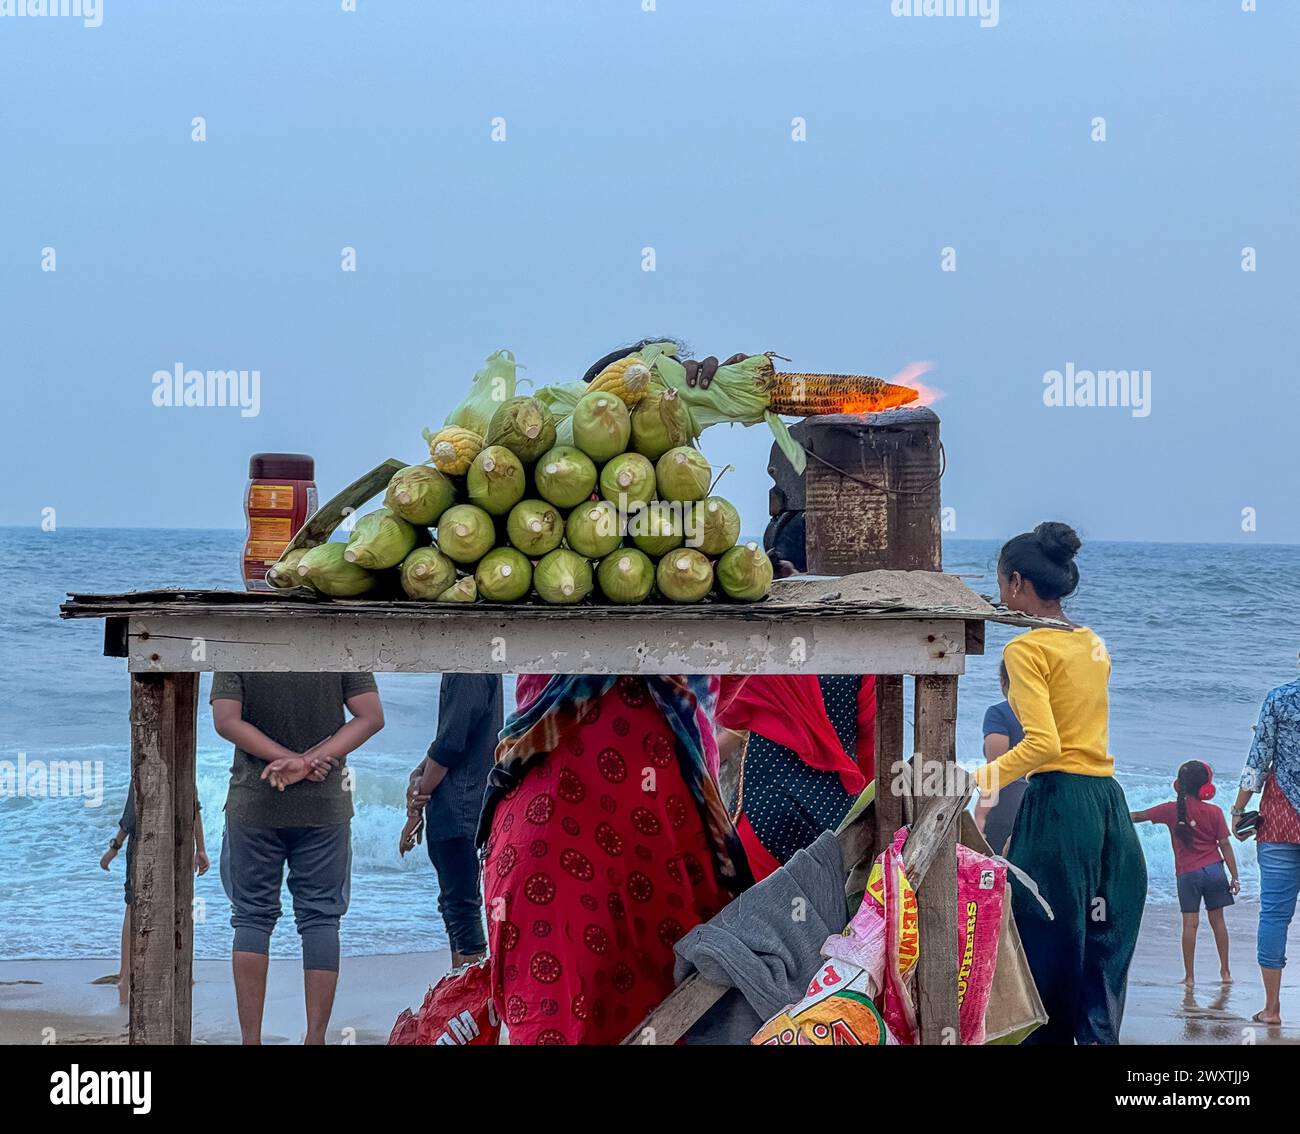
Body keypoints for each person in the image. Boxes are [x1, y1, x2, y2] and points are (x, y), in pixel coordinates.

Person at [476, 672, 750, 1045]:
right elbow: (735, 658)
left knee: (552, 1013)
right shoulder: (713, 616)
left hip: (549, 809)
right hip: (667, 815)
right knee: (677, 1014)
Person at [972, 521, 1147, 1045]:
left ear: (1018, 583)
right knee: (1101, 951)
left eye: (1001, 583)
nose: (1001, 593)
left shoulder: (1026, 650)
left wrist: (977, 779)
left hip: (1060, 805)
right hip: (1108, 802)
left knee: (1043, 953)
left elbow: (1043, 746)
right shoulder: (1093, 643)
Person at [211, 671, 384, 1044]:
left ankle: (251, 1040)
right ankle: (315, 1039)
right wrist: (310, 762)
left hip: (254, 803)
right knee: (321, 918)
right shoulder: (340, 635)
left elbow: (226, 720)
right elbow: (371, 716)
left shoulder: (238, 632)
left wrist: (290, 762)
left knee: (252, 918)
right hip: (324, 806)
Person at [717, 676, 874, 882]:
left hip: (763, 810)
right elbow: (871, 737)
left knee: (750, 910)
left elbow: (724, 703)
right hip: (835, 821)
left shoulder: (765, 649)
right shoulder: (867, 653)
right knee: (827, 909)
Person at [399, 674, 503, 969]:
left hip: (460, 804)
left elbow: (451, 743)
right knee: (455, 905)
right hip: (460, 801)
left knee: (461, 906)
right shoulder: (473, 665)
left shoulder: (469, 668)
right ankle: (463, 989)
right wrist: (419, 778)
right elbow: (447, 740)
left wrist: (420, 794)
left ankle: (470, 995)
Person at [1230, 672, 1300, 1025]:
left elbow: (1258, 759)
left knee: (1274, 915)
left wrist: (1239, 809)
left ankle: (1272, 1009)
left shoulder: (1279, 698)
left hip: (1280, 819)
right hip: (1278, 822)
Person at [1131, 760, 1239, 986]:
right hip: (1214, 871)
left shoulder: (1170, 810)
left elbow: (1137, 816)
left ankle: (1189, 977)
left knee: (1190, 924)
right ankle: (1226, 972)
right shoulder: (1215, 811)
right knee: (1218, 922)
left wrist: (1108, 809)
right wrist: (1235, 875)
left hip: (1187, 874)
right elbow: (1225, 845)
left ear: (1178, 784)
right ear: (1205, 789)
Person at [100, 786, 207, 1005]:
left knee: (133, 906)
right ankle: (182, 970)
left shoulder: (146, 762)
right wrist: (201, 848)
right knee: (180, 905)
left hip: (144, 843)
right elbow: (193, 806)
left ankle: (126, 974)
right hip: (180, 844)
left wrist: (115, 847)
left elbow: (131, 816)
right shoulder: (182, 762)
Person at [974, 662, 1027, 855]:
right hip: (1048, 801)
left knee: (997, 874)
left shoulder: (1000, 713)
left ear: (1004, 681)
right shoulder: (1056, 713)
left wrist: (980, 816)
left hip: (1008, 804)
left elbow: (997, 769)